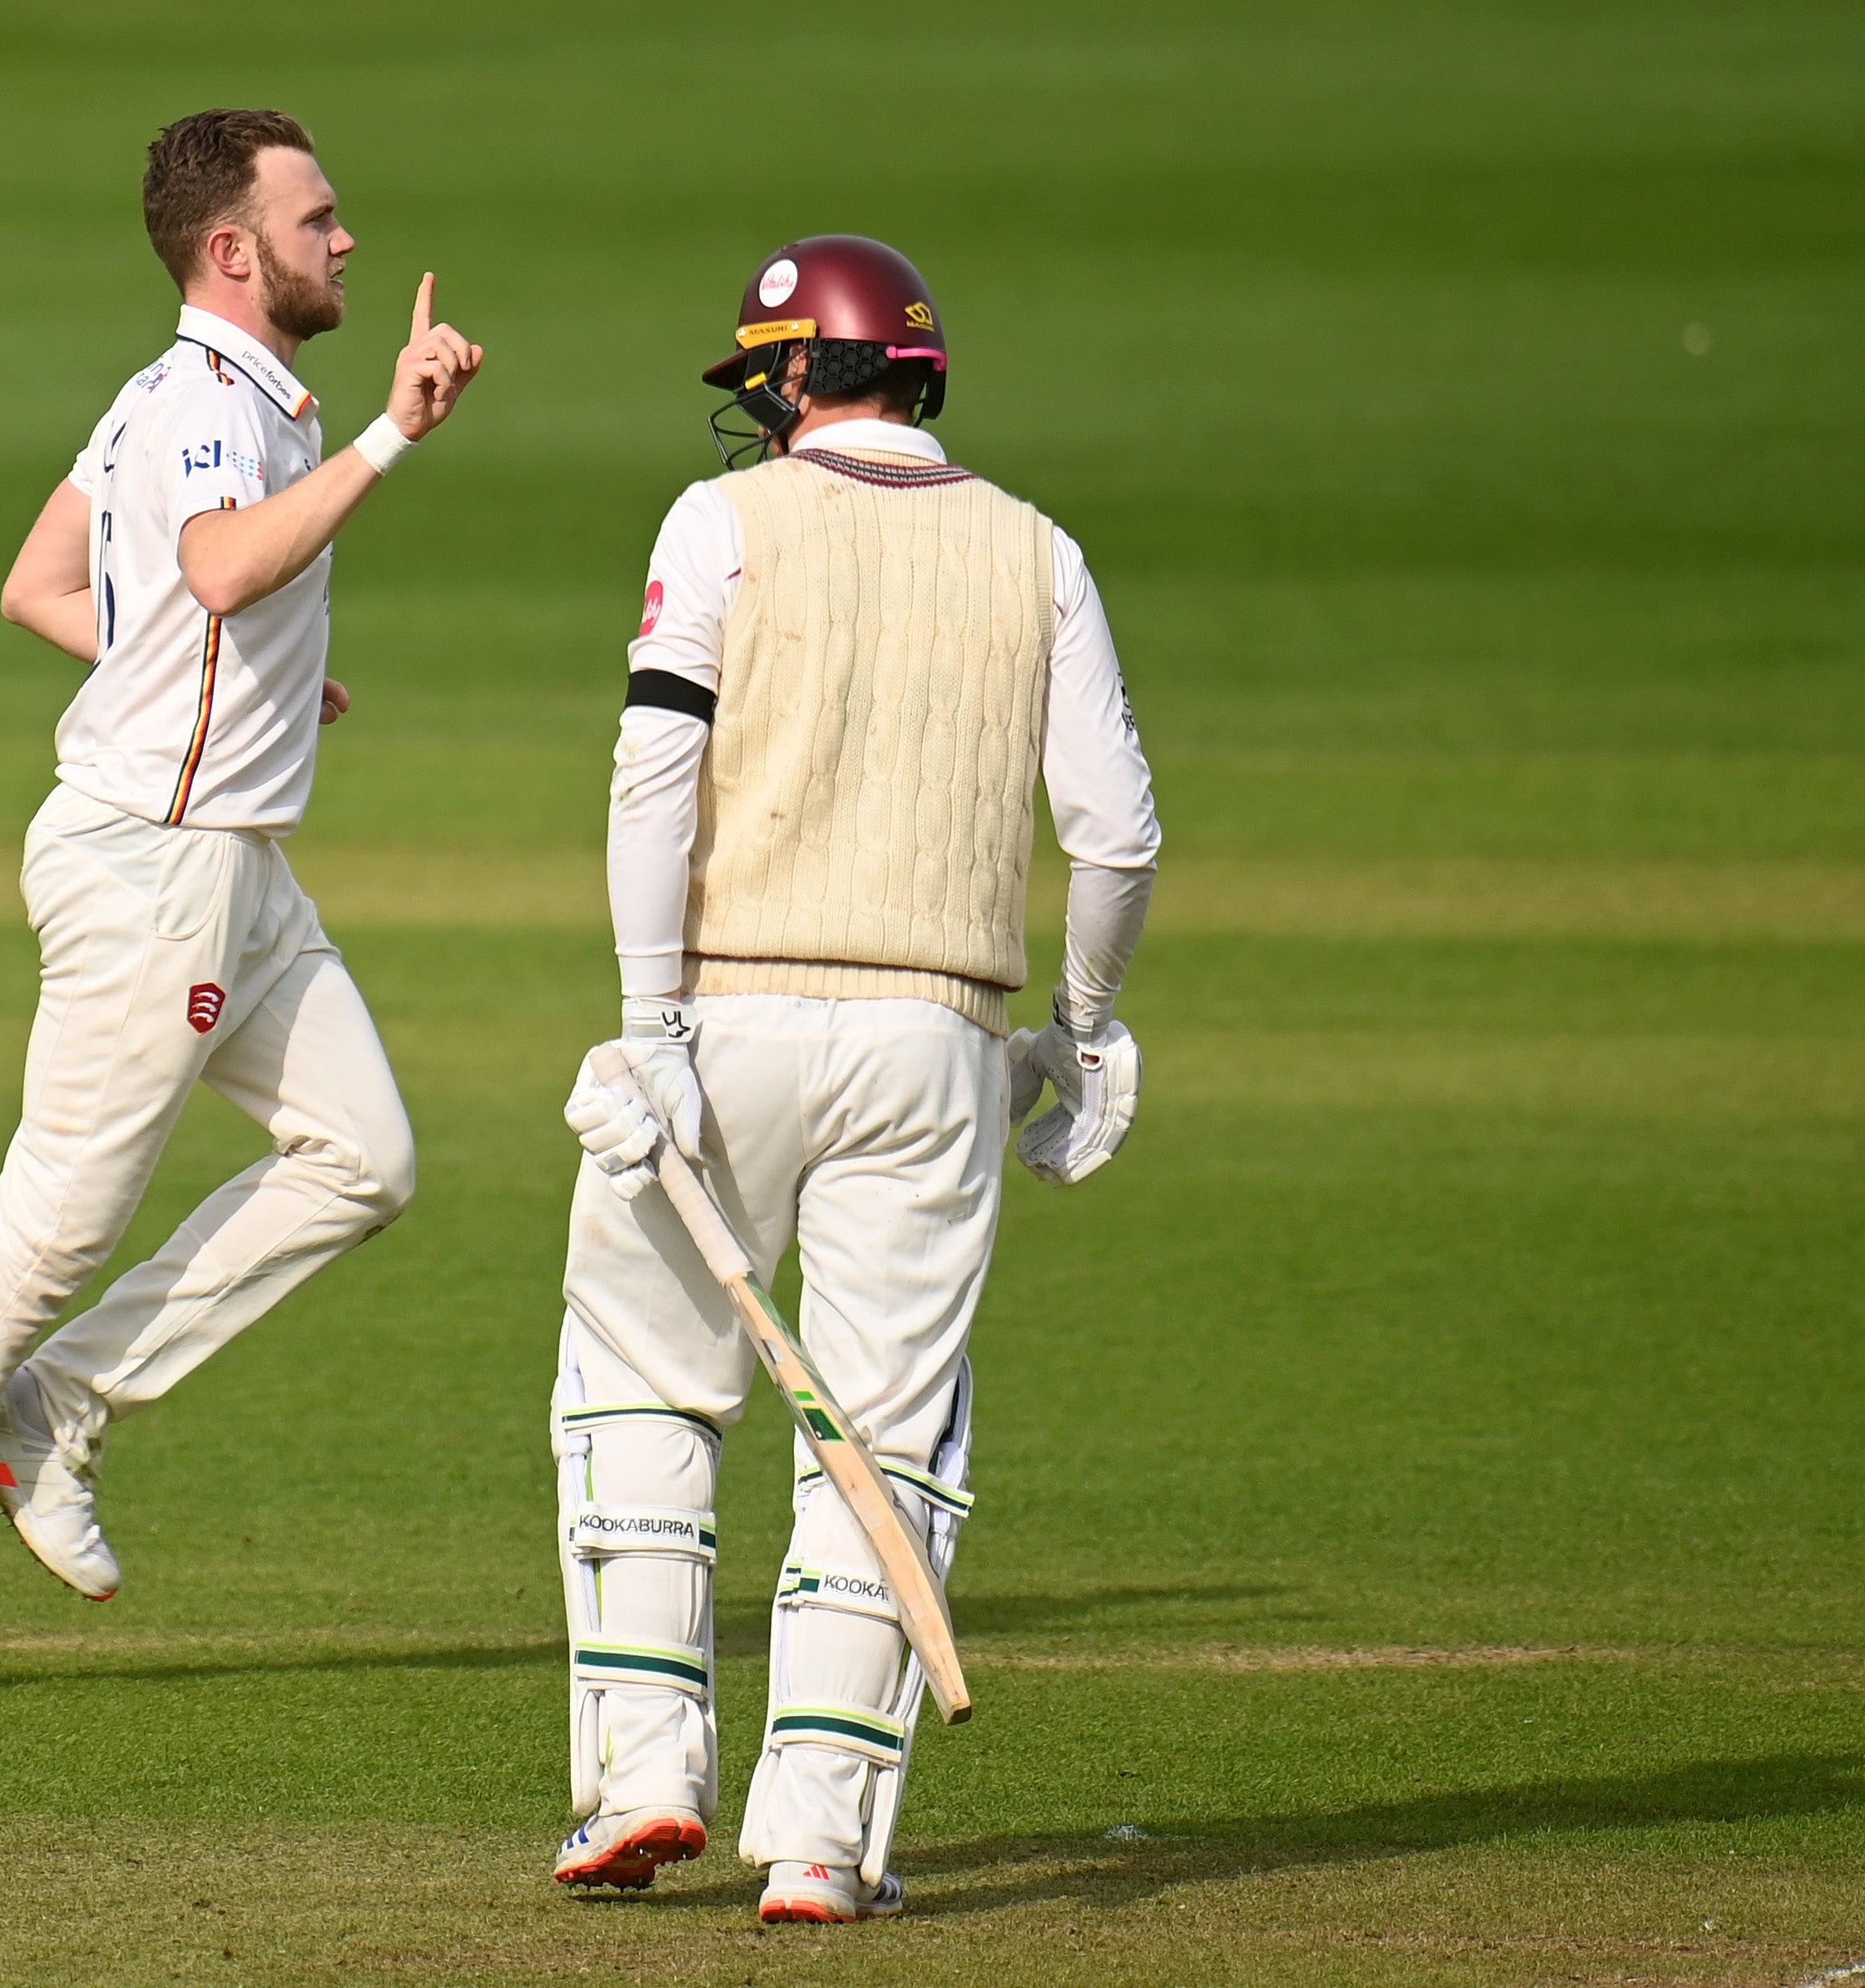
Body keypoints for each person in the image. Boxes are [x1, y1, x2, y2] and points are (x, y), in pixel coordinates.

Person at [0, 108, 484, 1697]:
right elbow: (219, 572)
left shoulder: (168, 393)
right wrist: (393, 436)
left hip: (228, 854)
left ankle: (57, 1408)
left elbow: (45, 588)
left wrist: (240, 692)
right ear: (234, 251)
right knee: (52, 1220)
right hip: (158, 859)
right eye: (317, 219)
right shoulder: (216, 407)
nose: (345, 240)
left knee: (365, 1158)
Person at [545, 235, 1159, 1920]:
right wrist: (1085, 1026)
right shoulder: (1040, 550)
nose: (757, 411)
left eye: (766, 380)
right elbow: (1113, 831)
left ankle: (642, 1774)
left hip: (729, 1016)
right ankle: (818, 1842)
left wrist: (644, 1017)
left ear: (808, 378)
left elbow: (652, 772)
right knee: (883, 1432)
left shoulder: (718, 524)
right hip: (938, 1040)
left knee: (637, 1378)